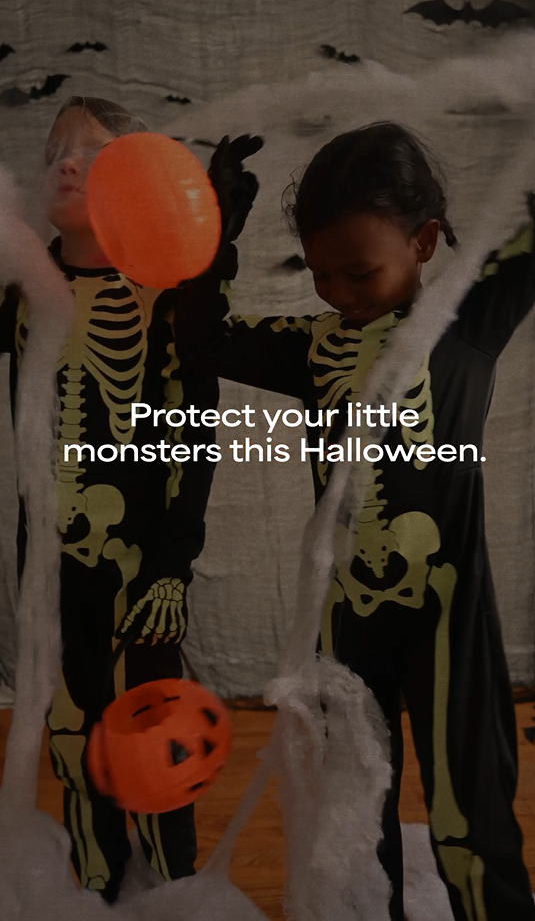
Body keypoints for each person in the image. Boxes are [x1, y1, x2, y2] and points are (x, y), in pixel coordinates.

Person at [173, 122, 535, 921]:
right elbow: (197, 337)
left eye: (358, 271)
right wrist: (216, 225)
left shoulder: (468, 319)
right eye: (320, 273)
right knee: (351, 812)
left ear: (425, 240)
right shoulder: (311, 347)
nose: (336, 290)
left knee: (467, 814)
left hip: (446, 610)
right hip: (346, 614)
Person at [0, 96, 259, 903]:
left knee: (154, 742)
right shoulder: (22, 296)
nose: (68, 164)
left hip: (139, 563)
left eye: (97, 154)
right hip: (50, 567)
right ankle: (97, 897)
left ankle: (174, 899)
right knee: (74, 745)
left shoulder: (163, 298)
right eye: (56, 153)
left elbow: (194, 436)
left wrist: (173, 566)